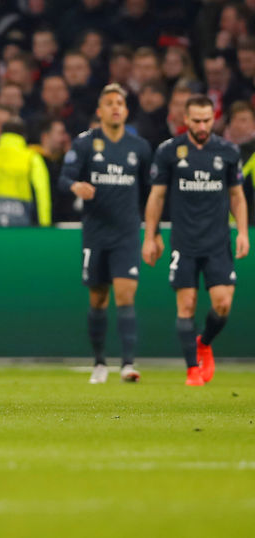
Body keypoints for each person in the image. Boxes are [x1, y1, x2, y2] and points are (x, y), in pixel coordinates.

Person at [143, 94, 249, 386]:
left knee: (223, 304)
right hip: (185, 242)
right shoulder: (169, 151)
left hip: (218, 242)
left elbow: (237, 196)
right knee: (186, 305)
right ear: (185, 119)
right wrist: (150, 236)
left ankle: (204, 342)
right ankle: (192, 369)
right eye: (197, 120)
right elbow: (157, 195)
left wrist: (241, 232)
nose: (202, 125)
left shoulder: (228, 151)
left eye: (207, 120)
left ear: (213, 118)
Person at [59, 83, 153, 384]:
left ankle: (128, 364)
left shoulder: (139, 148)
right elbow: (64, 178)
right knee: (98, 299)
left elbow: (150, 192)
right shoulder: (86, 144)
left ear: (126, 111)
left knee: (126, 295)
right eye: (109, 103)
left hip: (126, 233)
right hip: (96, 234)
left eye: (120, 103)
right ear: (100, 111)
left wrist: (153, 232)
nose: (115, 107)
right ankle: (100, 362)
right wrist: (76, 186)